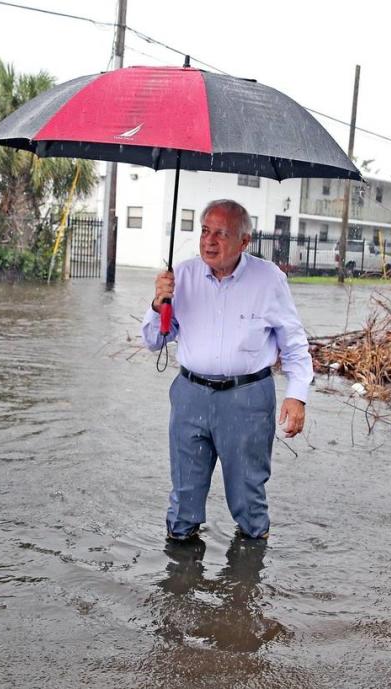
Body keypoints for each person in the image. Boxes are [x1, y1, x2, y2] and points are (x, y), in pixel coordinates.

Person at [142, 199, 312, 542]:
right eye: (205, 231)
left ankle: (246, 581)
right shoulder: (181, 276)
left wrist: (297, 396)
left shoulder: (269, 280)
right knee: (183, 498)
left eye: (221, 233)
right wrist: (158, 303)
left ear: (244, 242)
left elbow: (293, 342)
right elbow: (154, 341)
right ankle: (180, 583)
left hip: (247, 398)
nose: (209, 241)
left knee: (248, 497)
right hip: (190, 395)